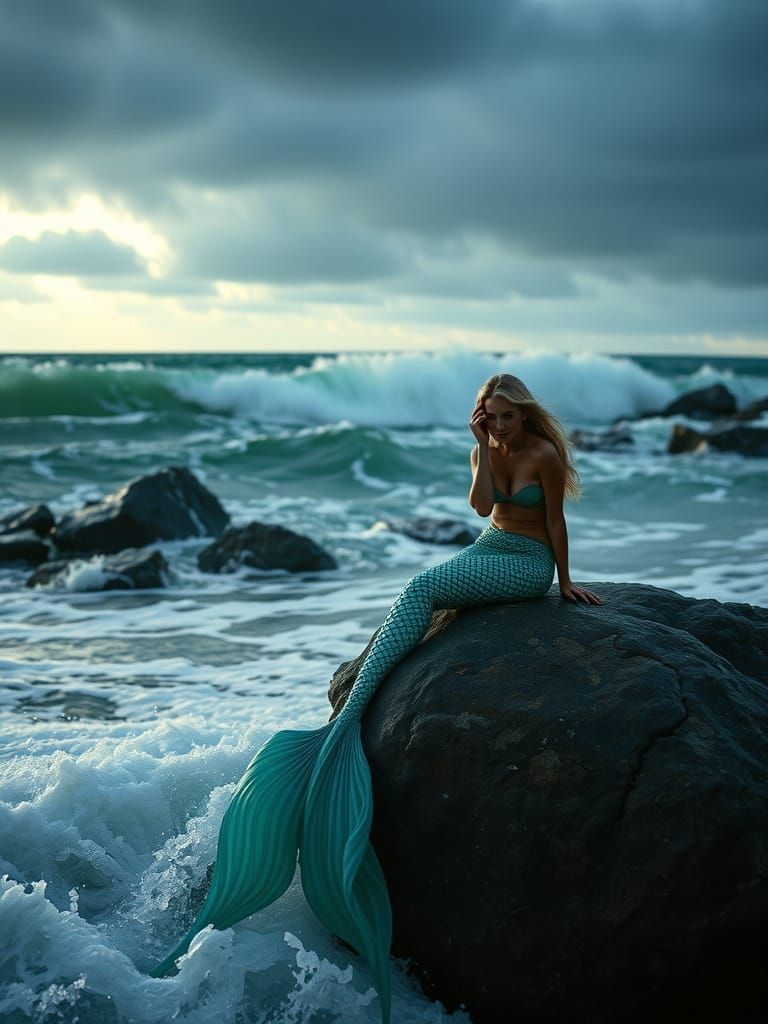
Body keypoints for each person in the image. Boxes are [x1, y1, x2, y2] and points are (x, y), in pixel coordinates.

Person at [151, 373, 602, 1023]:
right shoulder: (490, 448)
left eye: (505, 417)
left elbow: (552, 519)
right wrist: (481, 449)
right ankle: (363, 692)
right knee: (419, 595)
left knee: (420, 587)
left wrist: (563, 583)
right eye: (488, 417)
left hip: (527, 564)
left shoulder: (546, 455)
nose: (497, 425)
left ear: (525, 414)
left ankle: (356, 705)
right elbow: (482, 510)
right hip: (492, 544)